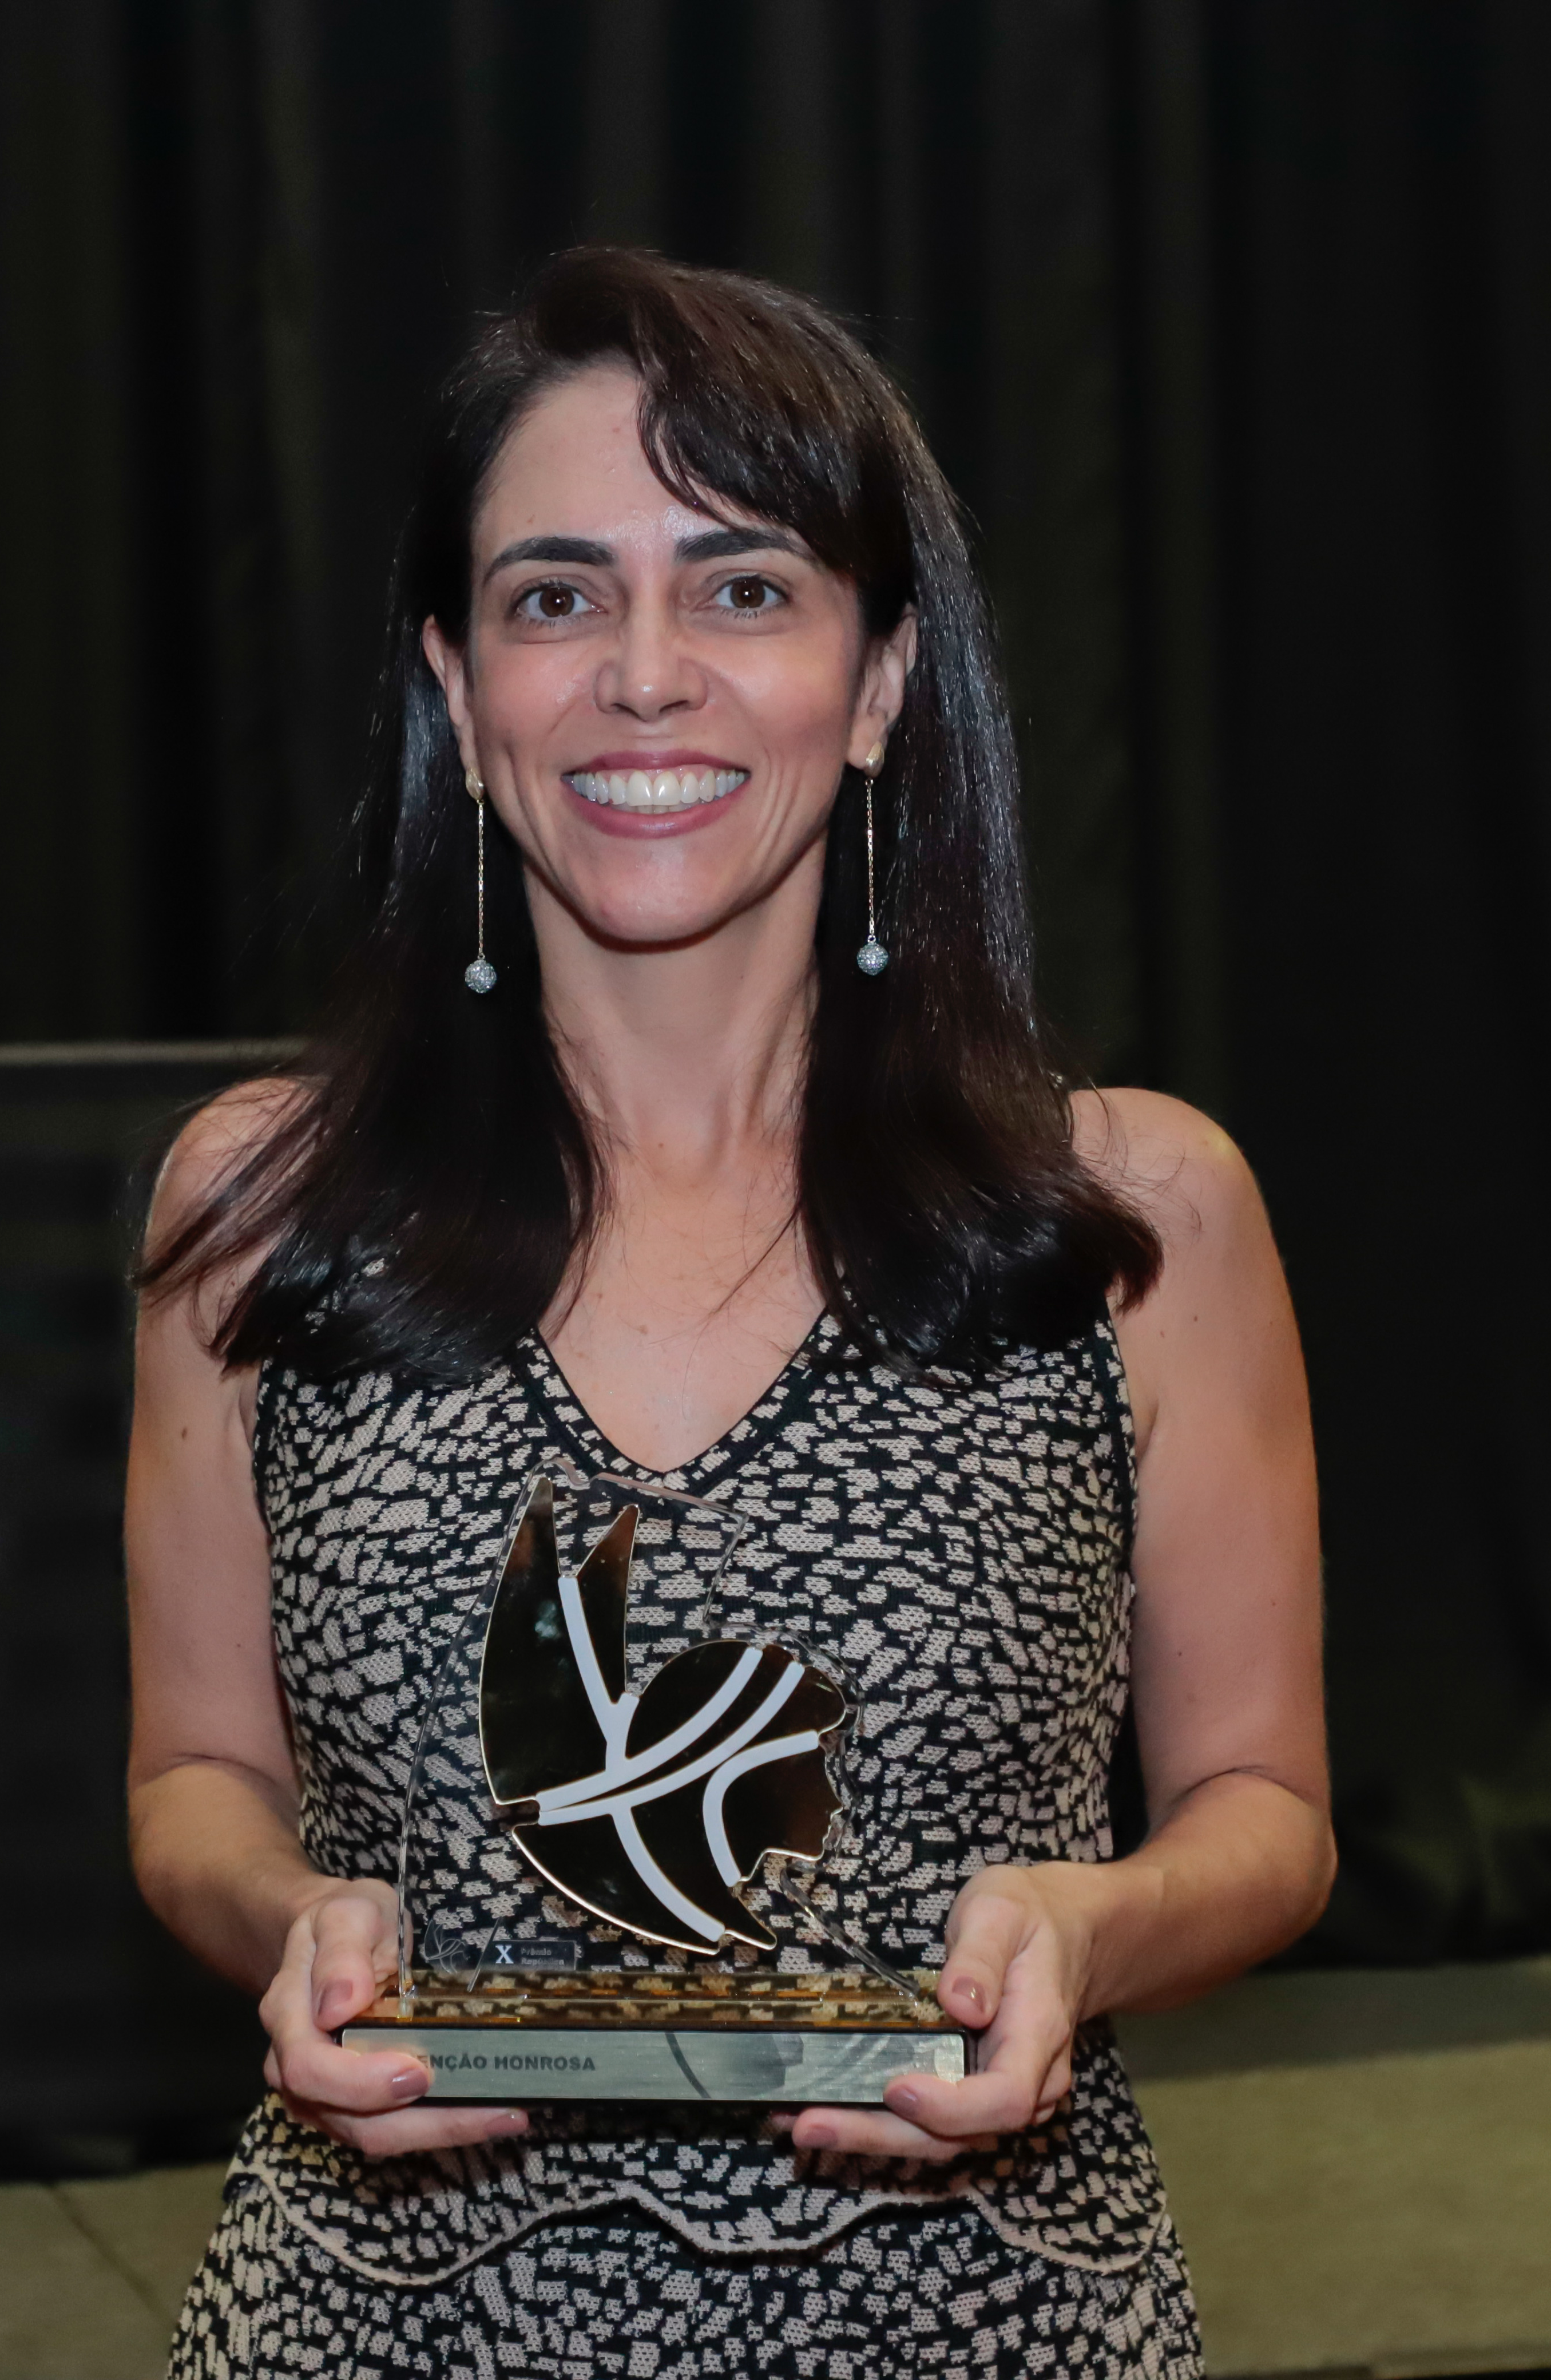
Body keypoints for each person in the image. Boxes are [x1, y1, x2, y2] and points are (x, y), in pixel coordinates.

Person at [127, 247, 1332, 2379]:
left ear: (878, 684)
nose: (645, 675)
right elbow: (195, 1774)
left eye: (745, 588)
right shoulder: (266, 1208)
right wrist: (288, 1918)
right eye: (556, 597)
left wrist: (1094, 1922)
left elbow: (1270, 1809)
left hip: (990, 2327)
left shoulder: (1131, 1215)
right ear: (458, 686)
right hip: (377, 2331)